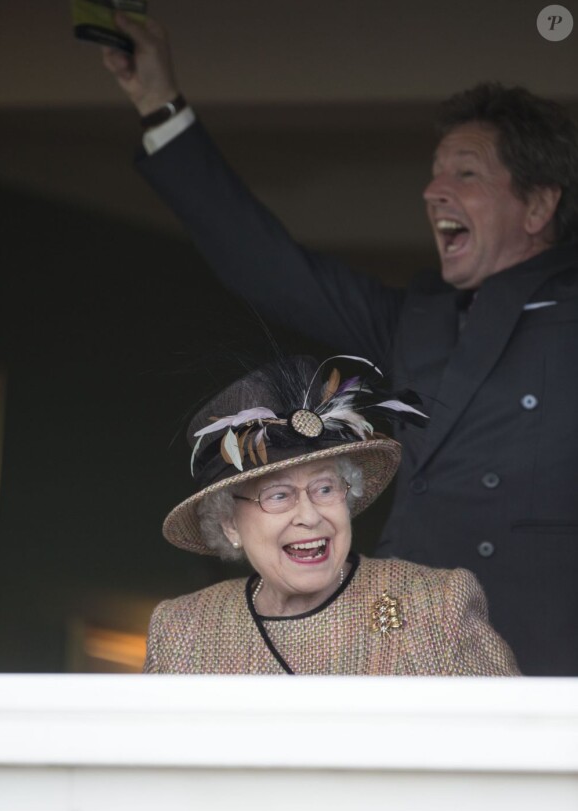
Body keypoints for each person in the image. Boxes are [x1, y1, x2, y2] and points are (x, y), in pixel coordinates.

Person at [102, 17, 578, 675]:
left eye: (465, 174)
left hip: (551, 655)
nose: (433, 190)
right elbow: (269, 267)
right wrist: (160, 103)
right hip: (400, 648)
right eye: (434, 174)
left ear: (538, 207)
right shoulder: (419, 320)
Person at [143, 355, 518, 675]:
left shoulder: (437, 607)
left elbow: (515, 746)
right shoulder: (183, 630)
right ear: (230, 524)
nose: (309, 515)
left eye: (325, 489)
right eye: (278, 495)